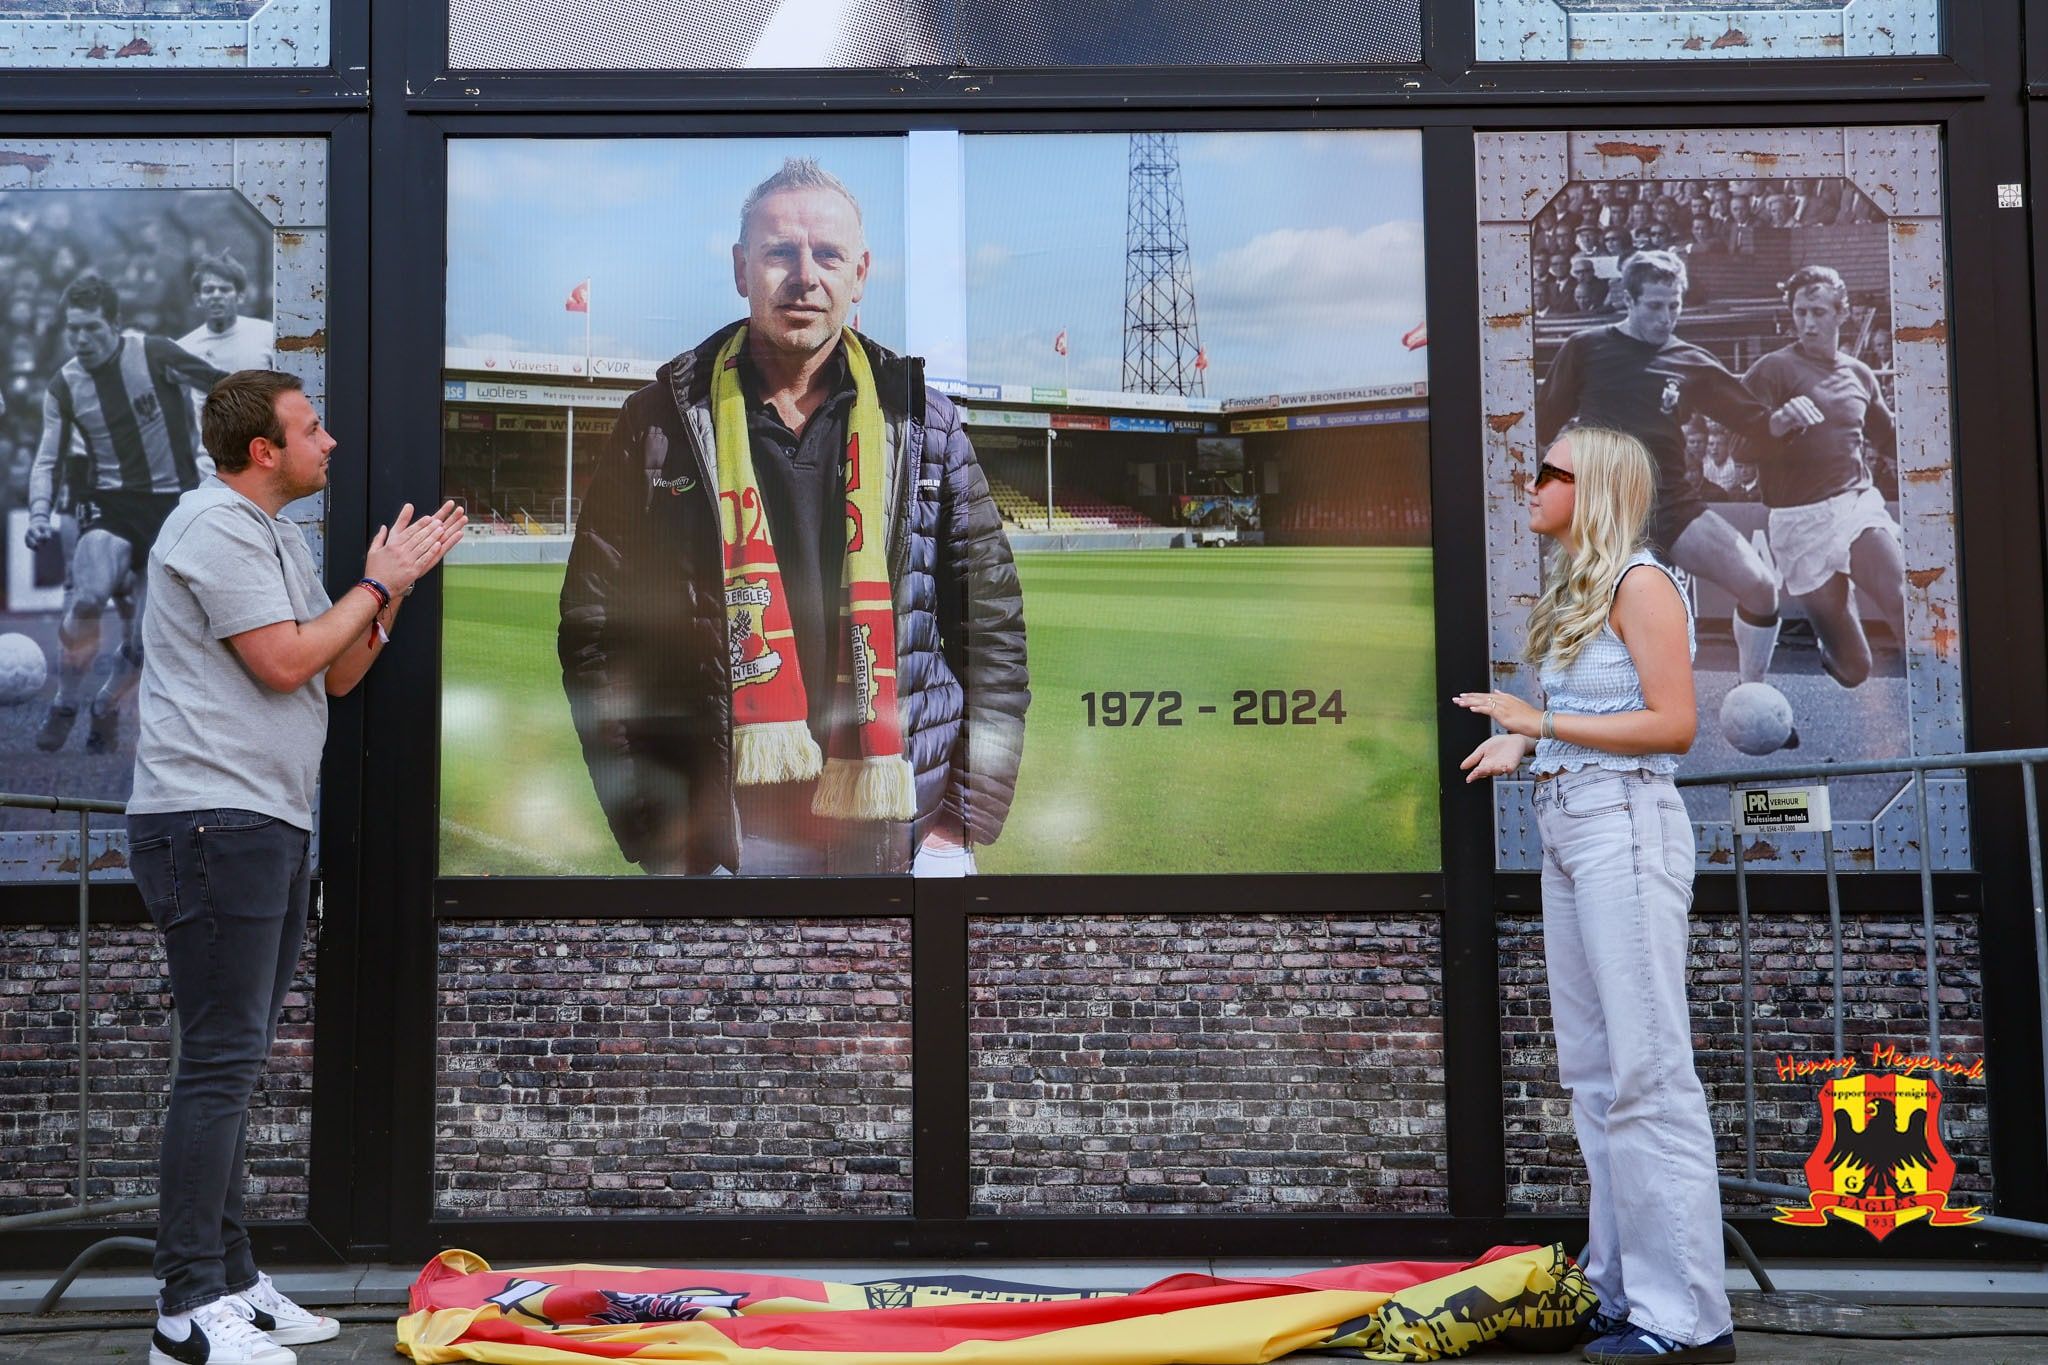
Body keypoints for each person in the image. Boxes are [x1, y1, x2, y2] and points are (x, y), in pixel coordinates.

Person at [558, 157, 1029, 876]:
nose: (805, 275)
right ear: (742, 268)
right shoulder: (659, 423)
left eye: (828, 254)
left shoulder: (924, 422)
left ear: (860, 273)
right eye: (780, 252)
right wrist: (654, 825)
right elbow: (596, 632)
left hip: (901, 828)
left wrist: (959, 818)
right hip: (722, 842)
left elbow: (990, 630)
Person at [127, 369, 464, 1365]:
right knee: (220, 1067)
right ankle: (185, 1309)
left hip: (259, 821)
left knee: (232, 1064)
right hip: (207, 825)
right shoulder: (210, 530)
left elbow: (337, 664)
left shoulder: (274, 534)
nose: (331, 443)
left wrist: (387, 592)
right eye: (310, 430)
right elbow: (281, 663)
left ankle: (231, 1280)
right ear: (263, 451)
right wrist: (373, 583)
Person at [1456, 427, 1734, 1365]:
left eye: (1549, 472)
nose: (1529, 484)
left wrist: (1540, 720)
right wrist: (1533, 746)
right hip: (1572, 822)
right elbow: (1603, 723)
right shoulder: (1582, 587)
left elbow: (1674, 725)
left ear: (1597, 486)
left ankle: (1690, 1320)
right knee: (1596, 1074)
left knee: (1649, 1072)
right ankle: (1622, 1288)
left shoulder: (1643, 584)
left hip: (1625, 824)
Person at [1535, 250, 1822, 690]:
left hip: (1672, 503)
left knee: (1761, 587)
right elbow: (1539, 425)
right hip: (1604, 511)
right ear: (1627, 300)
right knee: (1594, 633)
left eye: (1675, 305)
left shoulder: (1692, 362)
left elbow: (1757, 424)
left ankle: (1752, 695)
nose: (1666, 317)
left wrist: (1784, 421)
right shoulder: (1586, 348)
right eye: (1654, 305)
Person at [23, 272, 228, 754]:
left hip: (171, 507)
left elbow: (222, 385)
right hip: (109, 502)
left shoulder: (155, 353)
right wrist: (38, 514)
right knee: (89, 596)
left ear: (115, 322)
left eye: (92, 328)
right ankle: (65, 702)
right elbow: (47, 457)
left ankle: (105, 703)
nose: (82, 339)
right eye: (74, 329)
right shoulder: (65, 385)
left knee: (142, 640)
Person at [1737, 266, 1904, 687]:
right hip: (1797, 524)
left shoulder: (1861, 375)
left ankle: (1951, 708)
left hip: (1853, 504)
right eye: (1800, 312)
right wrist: (1773, 426)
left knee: (1904, 600)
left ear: (1841, 313)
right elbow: (1740, 449)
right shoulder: (1771, 370)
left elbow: (1890, 439)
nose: (1808, 323)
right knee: (1855, 669)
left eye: (1818, 312)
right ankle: (1833, 651)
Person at [176, 251, 277, 453]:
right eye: (209, 290)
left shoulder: (268, 335)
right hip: (208, 458)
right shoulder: (184, 348)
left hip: (261, 450)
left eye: (224, 289)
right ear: (198, 298)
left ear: (240, 296)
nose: (216, 296)